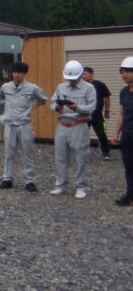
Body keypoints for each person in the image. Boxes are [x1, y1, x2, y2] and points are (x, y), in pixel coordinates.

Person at [0, 61, 47, 192]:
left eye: (19, 72)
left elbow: (42, 99)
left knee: (27, 152)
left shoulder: (32, 88)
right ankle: (7, 179)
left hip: (24, 124)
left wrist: (30, 108)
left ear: (24, 74)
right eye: (14, 72)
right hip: (10, 124)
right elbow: (0, 96)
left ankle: (30, 181)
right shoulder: (6, 87)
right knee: (9, 153)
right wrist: (7, 107)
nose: (16, 75)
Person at [49, 60, 96, 199]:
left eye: (73, 78)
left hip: (79, 124)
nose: (71, 80)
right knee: (60, 157)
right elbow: (52, 103)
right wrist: (57, 107)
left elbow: (92, 107)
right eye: (69, 78)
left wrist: (78, 107)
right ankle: (60, 185)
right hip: (63, 125)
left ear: (81, 75)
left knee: (81, 157)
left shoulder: (89, 88)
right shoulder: (60, 87)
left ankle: (82, 187)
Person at [110, 56, 133, 206]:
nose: (123, 75)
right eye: (121, 72)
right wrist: (116, 133)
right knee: (129, 166)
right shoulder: (124, 92)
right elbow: (121, 113)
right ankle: (130, 195)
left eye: (127, 72)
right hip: (127, 134)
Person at [81, 66, 112, 160]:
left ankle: (106, 152)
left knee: (102, 133)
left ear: (91, 74)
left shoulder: (100, 85)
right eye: (82, 74)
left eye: (85, 74)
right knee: (82, 134)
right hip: (84, 114)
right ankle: (82, 153)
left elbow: (106, 97)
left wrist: (107, 111)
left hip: (97, 115)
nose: (83, 76)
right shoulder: (80, 86)